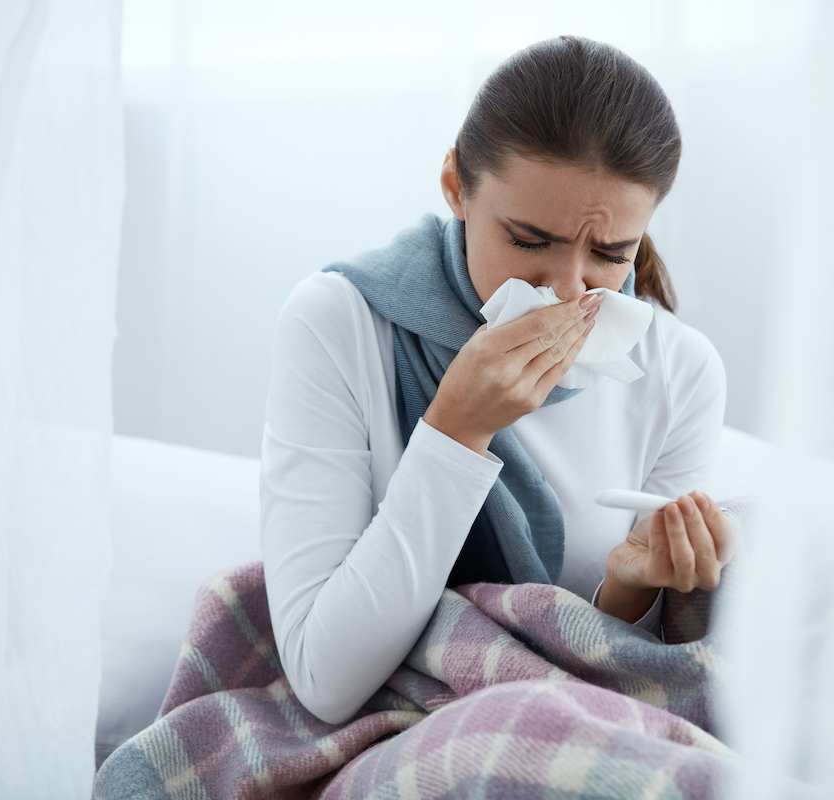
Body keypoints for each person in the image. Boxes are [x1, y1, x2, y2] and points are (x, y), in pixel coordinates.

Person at [259, 36, 732, 726]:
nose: (568, 289)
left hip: (573, 723)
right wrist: (455, 430)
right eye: (529, 241)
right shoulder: (339, 322)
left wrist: (627, 591)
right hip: (397, 728)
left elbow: (628, 684)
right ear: (455, 186)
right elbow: (325, 679)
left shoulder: (681, 371)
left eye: (609, 253)